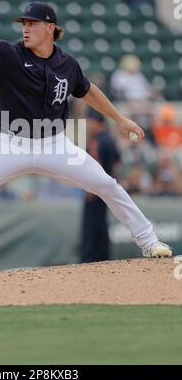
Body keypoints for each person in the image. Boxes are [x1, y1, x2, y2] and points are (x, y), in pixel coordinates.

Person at [0, 1, 172, 270]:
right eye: (23, 24)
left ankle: (149, 242)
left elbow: (87, 90)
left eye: (32, 23)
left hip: (55, 144)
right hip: (8, 143)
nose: (25, 29)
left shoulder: (67, 64)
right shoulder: (7, 54)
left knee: (107, 185)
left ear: (50, 28)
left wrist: (120, 119)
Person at [81, 108, 120, 263]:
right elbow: (117, 162)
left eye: (89, 121)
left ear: (96, 122)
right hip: (107, 188)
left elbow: (94, 164)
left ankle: (91, 259)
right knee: (102, 224)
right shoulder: (110, 139)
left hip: (95, 191)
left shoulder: (96, 141)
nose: (87, 125)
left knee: (92, 227)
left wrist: (91, 189)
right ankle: (103, 257)